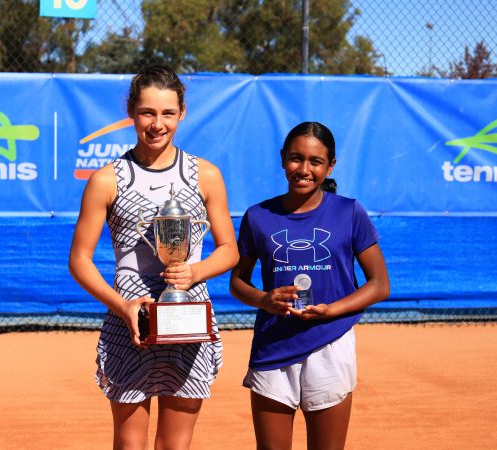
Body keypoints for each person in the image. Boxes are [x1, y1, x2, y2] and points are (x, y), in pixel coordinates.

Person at [68, 65, 239, 450]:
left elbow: (230, 249)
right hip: (130, 324)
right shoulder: (107, 179)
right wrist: (124, 307)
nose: (157, 124)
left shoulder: (206, 175)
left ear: (182, 113)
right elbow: (79, 259)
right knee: (130, 446)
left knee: (175, 446)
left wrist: (194, 272)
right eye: (147, 112)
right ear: (131, 111)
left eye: (167, 113)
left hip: (189, 318)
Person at [229, 121, 390, 450]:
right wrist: (265, 299)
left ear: (330, 165)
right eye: (295, 158)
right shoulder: (258, 216)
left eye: (315, 161)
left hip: (330, 345)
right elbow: (236, 282)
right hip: (273, 346)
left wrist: (333, 310)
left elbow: (379, 285)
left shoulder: (349, 211)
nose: (303, 169)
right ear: (282, 159)